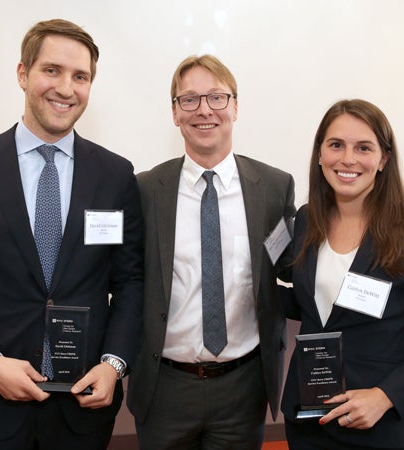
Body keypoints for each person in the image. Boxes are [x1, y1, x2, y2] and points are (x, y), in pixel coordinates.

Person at [0, 19, 144, 449]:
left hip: (81, 408)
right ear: (23, 74)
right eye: (52, 70)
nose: (66, 87)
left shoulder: (116, 175)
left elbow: (130, 281)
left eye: (81, 77)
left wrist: (114, 364)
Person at [126, 54, 297, 449]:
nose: (204, 110)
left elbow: (288, 267)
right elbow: (129, 279)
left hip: (244, 386)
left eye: (217, 98)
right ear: (174, 113)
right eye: (189, 100)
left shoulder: (273, 188)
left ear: (235, 107)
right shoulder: (146, 190)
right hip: (165, 385)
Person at [280, 99, 404, 449]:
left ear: (383, 160)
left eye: (363, 148)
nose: (347, 159)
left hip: (377, 425)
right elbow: (317, 306)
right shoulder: (306, 220)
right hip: (308, 419)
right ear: (320, 154)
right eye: (336, 145)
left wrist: (385, 396)